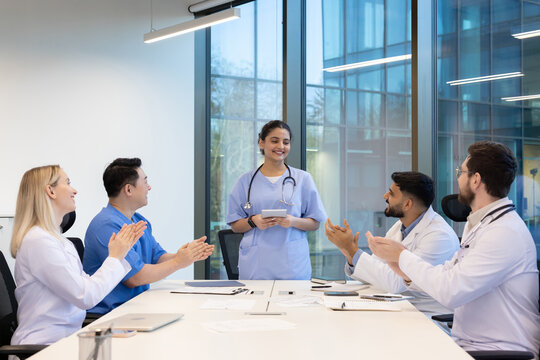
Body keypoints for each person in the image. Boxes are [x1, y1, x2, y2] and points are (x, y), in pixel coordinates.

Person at [368, 141, 540, 356]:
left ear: (476, 180)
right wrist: (404, 271)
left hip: (499, 350)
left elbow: (451, 292)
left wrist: (402, 256)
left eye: (461, 171)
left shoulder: (504, 232)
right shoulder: (480, 224)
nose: (457, 178)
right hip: (469, 344)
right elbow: (448, 273)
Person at [10, 165, 146, 345]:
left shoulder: (60, 242)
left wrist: (118, 256)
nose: (74, 190)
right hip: (43, 347)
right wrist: (114, 257)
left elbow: (88, 287)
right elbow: (86, 296)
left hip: (66, 340)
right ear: (50, 191)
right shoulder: (38, 241)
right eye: (68, 183)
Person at [83, 158, 213, 314]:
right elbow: (135, 278)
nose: (149, 187)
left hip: (137, 307)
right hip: (111, 315)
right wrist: (179, 262)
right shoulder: (106, 226)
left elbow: (158, 258)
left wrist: (186, 254)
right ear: (129, 190)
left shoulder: (139, 221)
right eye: (145, 182)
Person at [325, 171, 459, 314]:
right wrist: (348, 252)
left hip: (426, 315)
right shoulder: (399, 227)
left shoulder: (439, 236)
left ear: (407, 204)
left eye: (391, 194)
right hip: (400, 308)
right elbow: (375, 272)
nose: (385, 196)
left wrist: (353, 250)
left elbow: (396, 283)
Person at [227, 120, 327, 280]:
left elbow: (315, 223)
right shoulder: (245, 181)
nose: (281, 146)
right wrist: (253, 221)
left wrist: (293, 221)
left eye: (285, 142)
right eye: (274, 141)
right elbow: (235, 226)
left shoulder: (303, 179)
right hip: (256, 266)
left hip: (291, 266)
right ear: (261, 143)